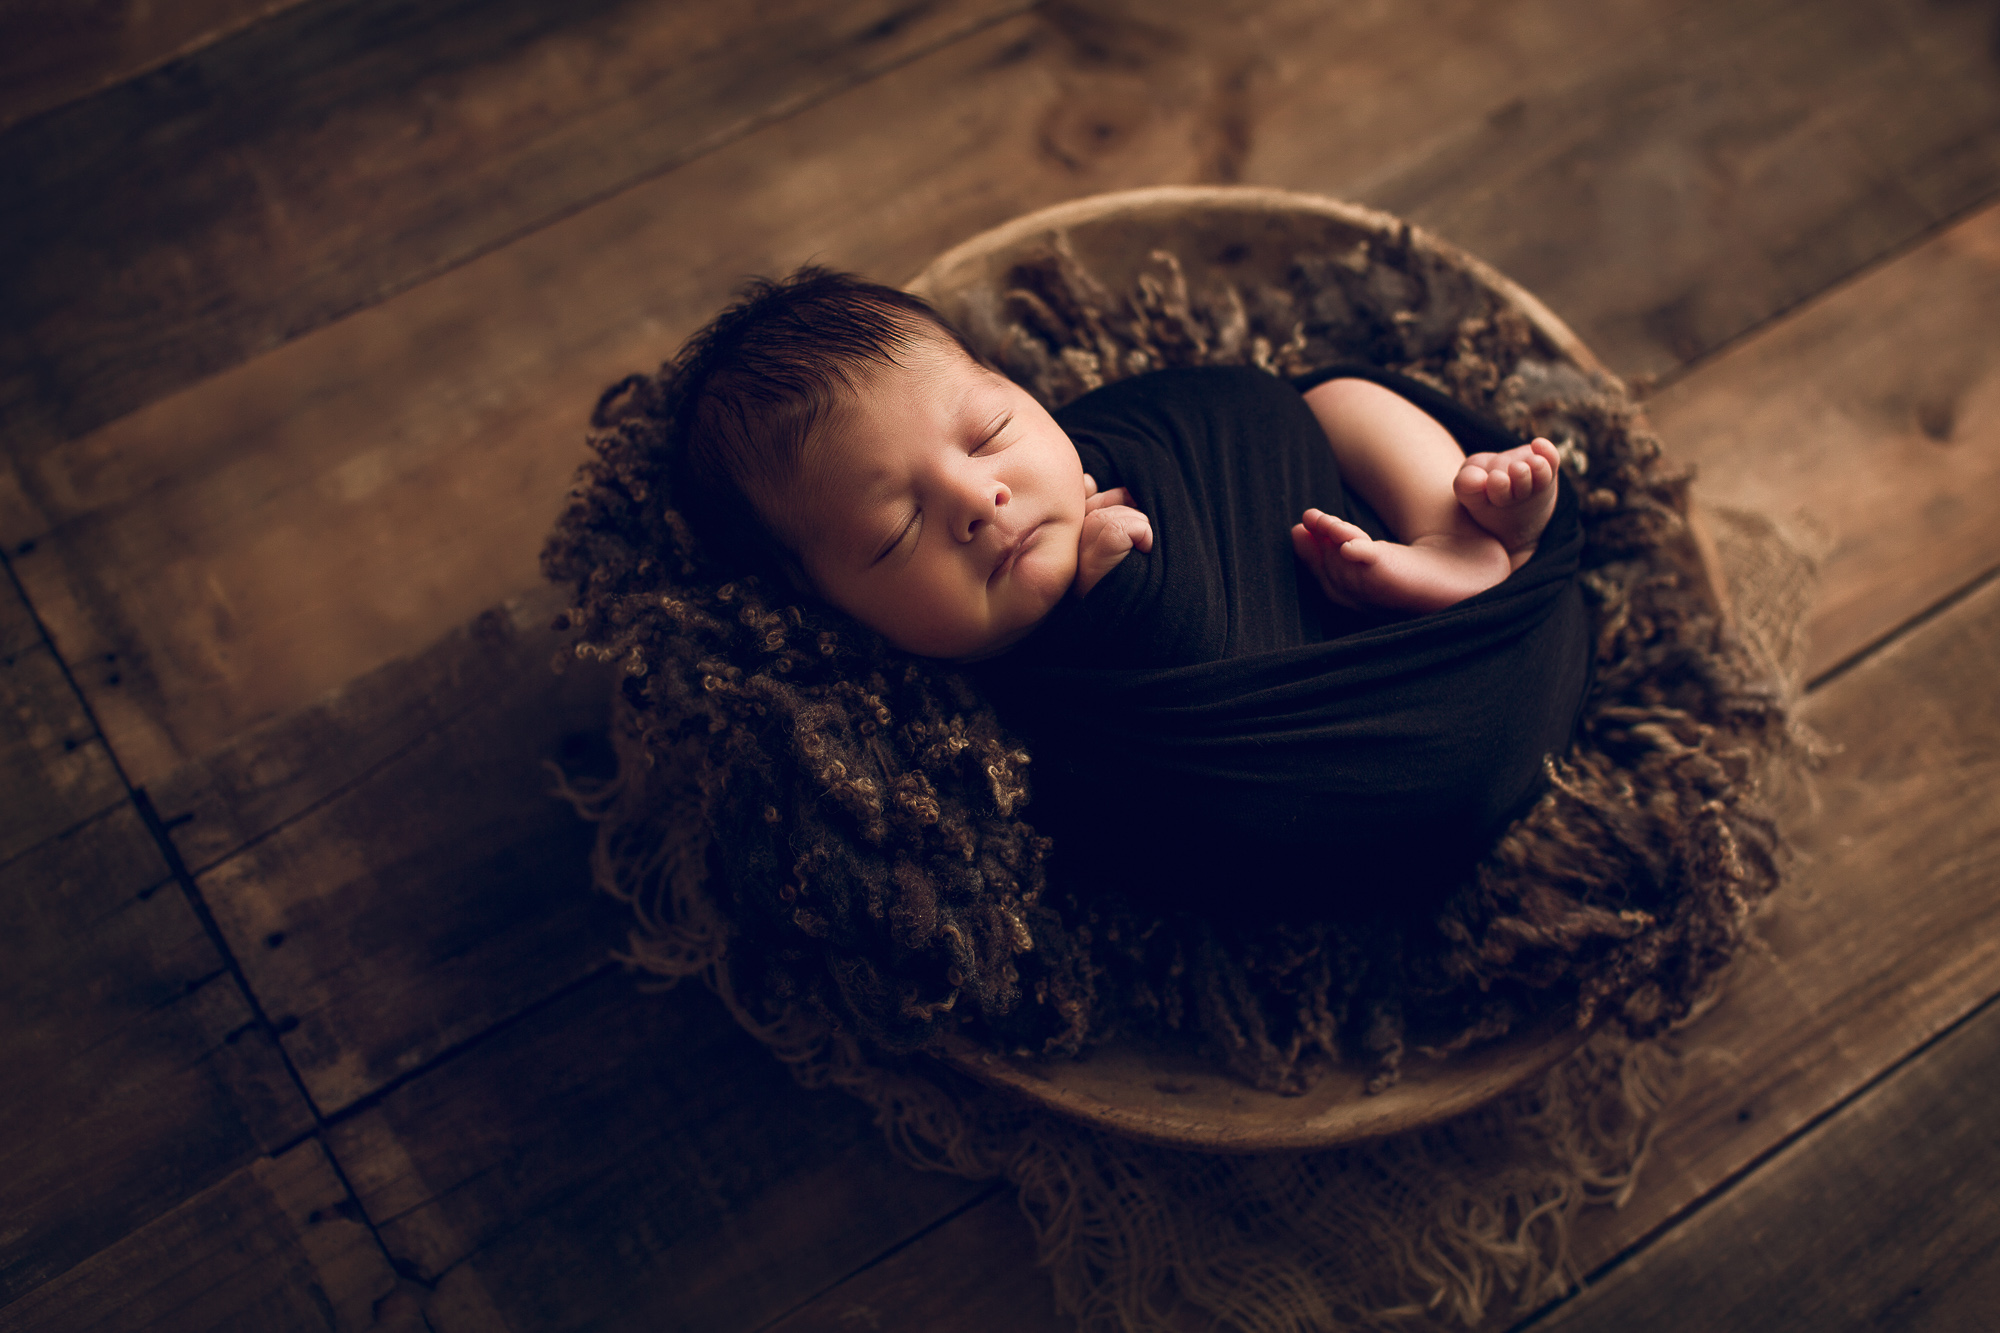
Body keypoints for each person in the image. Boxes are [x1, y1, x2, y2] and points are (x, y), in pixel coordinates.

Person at [669, 266, 1592, 920]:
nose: (977, 502)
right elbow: (1118, 806)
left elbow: (1233, 408)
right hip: (1407, 750)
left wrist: (1236, 435)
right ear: (827, 611)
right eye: (896, 531)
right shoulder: (950, 737)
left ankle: (1457, 536)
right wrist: (1123, 605)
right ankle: (1462, 577)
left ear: (1023, 392)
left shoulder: (1113, 443)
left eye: (990, 431)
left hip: (1358, 527)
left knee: (1336, 398)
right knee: (1231, 824)